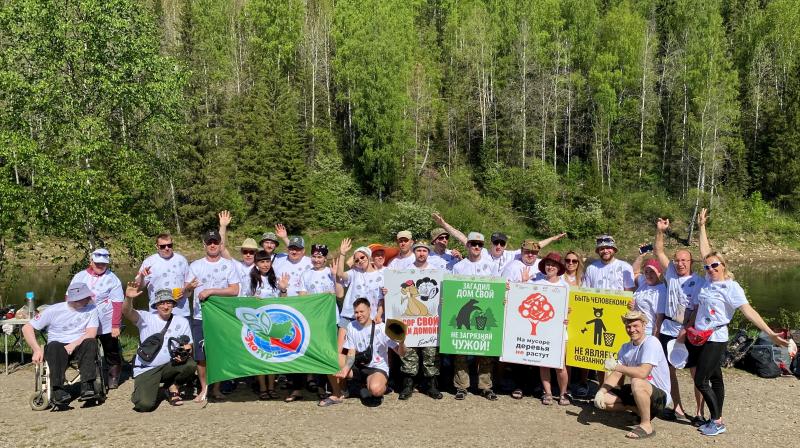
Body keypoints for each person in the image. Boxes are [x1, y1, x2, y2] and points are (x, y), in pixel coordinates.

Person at [689, 251, 787, 436]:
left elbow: (748, 311)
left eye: (715, 265)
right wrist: (701, 226)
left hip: (716, 338)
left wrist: (770, 333)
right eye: (707, 267)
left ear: (724, 265)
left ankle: (717, 422)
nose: (711, 269)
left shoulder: (731, 287)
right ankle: (715, 418)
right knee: (716, 378)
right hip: (701, 336)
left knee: (701, 380)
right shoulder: (708, 282)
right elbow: (706, 251)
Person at [653, 216, 704, 421]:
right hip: (668, 328)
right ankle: (678, 408)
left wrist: (687, 327)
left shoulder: (698, 281)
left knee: (695, 373)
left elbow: (698, 308)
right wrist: (660, 231)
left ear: (691, 262)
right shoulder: (671, 274)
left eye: (684, 260)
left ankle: (700, 413)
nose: (680, 263)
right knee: (670, 371)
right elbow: (658, 251)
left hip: (689, 330)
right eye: (678, 260)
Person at [593, 310, 672, 440]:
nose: (632, 329)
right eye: (628, 326)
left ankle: (646, 425)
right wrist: (601, 391)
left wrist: (616, 366)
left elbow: (643, 372)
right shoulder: (625, 347)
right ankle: (641, 411)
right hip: (639, 391)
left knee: (637, 381)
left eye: (635, 326)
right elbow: (616, 374)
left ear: (644, 325)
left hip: (660, 396)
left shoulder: (651, 342)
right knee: (603, 401)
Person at [22, 283, 100, 407]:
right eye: (86, 297)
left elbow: (91, 333)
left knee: (91, 342)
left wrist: (73, 345)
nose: (89, 299)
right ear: (75, 299)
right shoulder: (53, 310)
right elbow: (27, 328)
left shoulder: (91, 309)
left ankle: (87, 386)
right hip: (57, 346)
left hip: (79, 343)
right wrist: (36, 349)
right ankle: (57, 390)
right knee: (54, 346)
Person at [185, 230, 240, 403]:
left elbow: (234, 290)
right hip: (200, 317)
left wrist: (211, 291)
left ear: (220, 244)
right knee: (201, 356)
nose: (213, 245)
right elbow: (186, 292)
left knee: (219, 353)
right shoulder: (195, 266)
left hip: (220, 317)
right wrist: (189, 289)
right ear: (204, 245)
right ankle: (204, 388)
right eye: (209, 242)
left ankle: (216, 388)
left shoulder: (228, 265)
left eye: (215, 242)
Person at [123, 286, 195, 411]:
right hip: (147, 368)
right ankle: (144, 389)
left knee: (190, 364)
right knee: (144, 405)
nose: (165, 306)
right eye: (161, 303)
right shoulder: (145, 318)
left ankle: (173, 387)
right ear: (156, 305)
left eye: (168, 302)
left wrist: (185, 352)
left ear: (173, 304)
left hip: (170, 365)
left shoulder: (182, 321)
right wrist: (128, 298)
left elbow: (189, 345)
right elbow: (127, 312)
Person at [451, 232, 499, 400]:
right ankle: (461, 386)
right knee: (461, 350)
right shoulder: (458, 266)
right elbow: (454, 290)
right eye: (473, 244)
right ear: (467, 245)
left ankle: (485, 386)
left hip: (483, 312)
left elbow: (496, 288)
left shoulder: (491, 265)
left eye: (479, 244)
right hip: (463, 311)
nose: (476, 247)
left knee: (486, 351)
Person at [66, 248, 124, 389]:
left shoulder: (112, 279)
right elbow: (68, 298)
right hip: (84, 320)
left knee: (111, 350)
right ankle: (89, 377)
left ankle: (113, 376)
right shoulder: (80, 276)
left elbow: (118, 303)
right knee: (87, 349)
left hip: (106, 321)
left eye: (103, 264)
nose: (100, 266)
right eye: (97, 263)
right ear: (91, 261)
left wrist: (115, 325)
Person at [432, 213, 566, 273]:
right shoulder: (481, 251)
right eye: (496, 243)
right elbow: (462, 237)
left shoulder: (511, 255)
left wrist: (553, 238)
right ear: (491, 243)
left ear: (505, 245)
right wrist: (444, 224)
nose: (499, 246)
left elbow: (535, 246)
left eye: (502, 244)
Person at [336, 298, 407, 407]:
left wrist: (402, 343)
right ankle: (344, 390)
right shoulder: (351, 326)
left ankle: (377, 385)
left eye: (361, 311)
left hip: (377, 367)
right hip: (359, 365)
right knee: (335, 359)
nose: (359, 315)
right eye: (356, 312)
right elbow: (351, 353)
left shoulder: (382, 328)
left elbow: (401, 353)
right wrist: (345, 370)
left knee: (376, 390)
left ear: (369, 310)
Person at [397, 241, 443, 400]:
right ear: (414, 252)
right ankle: (408, 385)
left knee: (430, 354)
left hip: (430, 322)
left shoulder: (436, 272)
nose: (421, 253)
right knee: (409, 354)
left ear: (428, 253)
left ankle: (431, 386)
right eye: (418, 251)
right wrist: (388, 290)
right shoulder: (405, 271)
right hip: (410, 321)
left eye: (424, 250)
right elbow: (398, 291)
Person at [531, 252, 571, 406]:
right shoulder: (537, 282)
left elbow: (571, 308)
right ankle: (547, 393)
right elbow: (520, 292)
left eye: (554, 265)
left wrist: (568, 315)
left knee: (560, 365)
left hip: (560, 330)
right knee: (544, 363)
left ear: (559, 267)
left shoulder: (565, 285)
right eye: (548, 264)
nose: (550, 267)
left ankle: (563, 393)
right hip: (542, 329)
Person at [248, 251, 288, 400]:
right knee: (260, 355)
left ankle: (272, 387)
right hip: (257, 323)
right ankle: (262, 387)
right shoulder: (251, 279)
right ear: (256, 264)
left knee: (271, 354)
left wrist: (283, 289)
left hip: (273, 322)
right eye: (262, 262)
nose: (265, 264)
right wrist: (252, 299)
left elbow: (283, 300)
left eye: (267, 261)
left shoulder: (274, 279)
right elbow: (244, 299)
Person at [135, 233, 191, 317]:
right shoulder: (149, 262)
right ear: (157, 246)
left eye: (169, 245)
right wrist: (142, 276)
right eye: (163, 246)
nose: (167, 248)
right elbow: (138, 288)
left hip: (181, 312)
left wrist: (184, 290)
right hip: (157, 313)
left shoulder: (181, 260)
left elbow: (188, 282)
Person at [217, 210, 258, 295]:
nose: (248, 254)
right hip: (238, 304)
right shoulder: (237, 266)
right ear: (242, 252)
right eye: (245, 251)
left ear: (256, 253)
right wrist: (223, 226)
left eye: (251, 252)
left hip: (255, 304)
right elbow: (221, 248)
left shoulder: (261, 268)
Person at [629, 258, 666, 336]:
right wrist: (640, 257)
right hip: (634, 328)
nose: (648, 275)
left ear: (659, 273)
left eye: (652, 272)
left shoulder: (661, 291)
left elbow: (659, 320)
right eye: (646, 272)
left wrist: (655, 339)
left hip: (647, 332)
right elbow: (634, 273)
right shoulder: (644, 281)